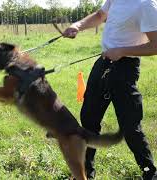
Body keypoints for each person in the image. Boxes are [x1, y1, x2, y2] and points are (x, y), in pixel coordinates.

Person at [63, 0, 157, 179]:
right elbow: (100, 16)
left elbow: (156, 45)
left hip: (125, 68)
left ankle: (150, 172)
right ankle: (84, 173)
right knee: (89, 118)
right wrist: (78, 25)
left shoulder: (146, 5)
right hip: (103, 63)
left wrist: (121, 51)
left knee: (130, 126)